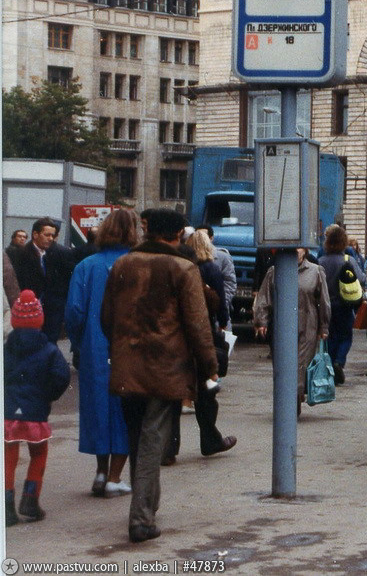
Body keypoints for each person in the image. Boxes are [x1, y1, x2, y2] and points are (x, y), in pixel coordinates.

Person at [101, 208, 220, 543]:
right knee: (154, 439)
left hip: (127, 365)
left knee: (138, 437)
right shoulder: (183, 268)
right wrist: (209, 365)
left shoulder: (123, 264)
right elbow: (198, 324)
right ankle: (140, 518)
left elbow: (106, 317)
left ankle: (146, 509)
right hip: (166, 366)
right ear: (176, 235)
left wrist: (122, 347)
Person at [64, 209, 138, 499]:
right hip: (129, 348)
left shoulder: (86, 266)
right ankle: (116, 477)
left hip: (94, 348)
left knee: (98, 408)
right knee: (124, 410)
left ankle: (100, 471)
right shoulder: (136, 265)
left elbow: (74, 312)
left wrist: (79, 342)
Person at [163, 231, 236, 464]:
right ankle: (210, 440)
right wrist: (222, 324)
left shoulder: (171, 273)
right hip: (199, 341)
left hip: (174, 343)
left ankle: (168, 448)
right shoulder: (205, 274)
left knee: (173, 394)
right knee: (207, 392)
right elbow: (216, 306)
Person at [4, 290, 71, 526]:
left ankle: (6, 506)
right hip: (36, 412)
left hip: (9, 412)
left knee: (8, 457)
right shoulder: (49, 349)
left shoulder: (6, 348)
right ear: (39, 320)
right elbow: (62, 377)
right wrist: (47, 396)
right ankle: (30, 500)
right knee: (39, 454)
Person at [253, 249, 331, 414]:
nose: (296, 251)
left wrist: (324, 326)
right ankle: (290, 402)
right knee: (282, 368)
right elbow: (264, 298)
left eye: (299, 247)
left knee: (299, 368)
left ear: (305, 251)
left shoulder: (316, 271)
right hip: (280, 328)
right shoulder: (274, 271)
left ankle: (292, 406)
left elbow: (323, 301)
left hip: (307, 327)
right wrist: (261, 321)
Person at [11, 218, 77, 342]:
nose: (51, 238)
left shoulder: (62, 253)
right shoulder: (21, 254)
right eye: (47, 235)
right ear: (35, 234)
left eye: (53, 235)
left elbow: (68, 279)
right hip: (29, 309)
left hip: (53, 309)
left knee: (50, 342)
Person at [319, 225, 366, 385]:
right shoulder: (349, 260)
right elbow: (361, 279)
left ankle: (331, 366)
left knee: (330, 336)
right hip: (345, 305)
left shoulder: (321, 262)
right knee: (346, 336)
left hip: (326, 306)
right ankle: (339, 361)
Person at [197, 226, 237, 331]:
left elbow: (230, 283)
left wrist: (222, 302)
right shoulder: (192, 259)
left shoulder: (222, 257)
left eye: (204, 236)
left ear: (211, 238)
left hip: (219, 309)